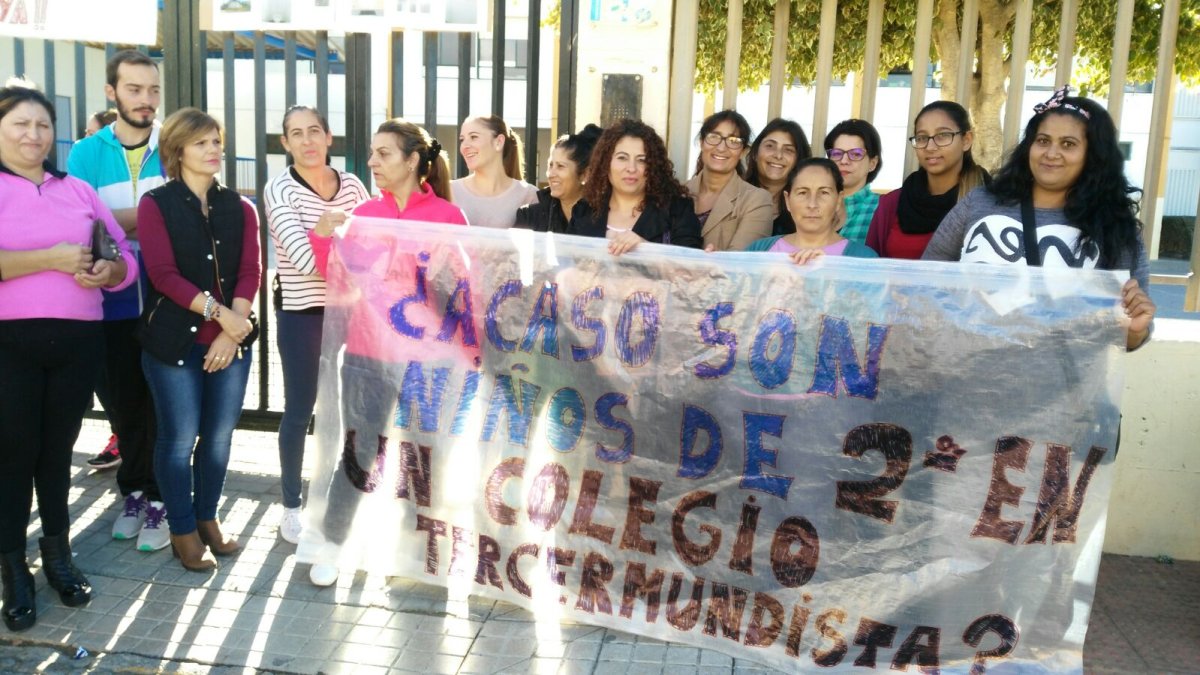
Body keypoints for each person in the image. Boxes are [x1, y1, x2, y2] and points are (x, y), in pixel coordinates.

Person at [307, 118, 467, 587]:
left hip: (427, 359)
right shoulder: (365, 215)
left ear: (413, 160)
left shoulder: (447, 217)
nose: (373, 162)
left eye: (384, 154)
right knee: (359, 453)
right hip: (367, 353)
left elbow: (463, 289)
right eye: (373, 153)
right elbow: (336, 274)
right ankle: (334, 544)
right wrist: (323, 234)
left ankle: (416, 552)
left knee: (424, 456)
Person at [0, 81, 136, 632]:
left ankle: (58, 556)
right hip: (10, 344)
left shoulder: (78, 190)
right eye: (19, 125)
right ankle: (13, 568)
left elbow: (122, 256)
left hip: (78, 343)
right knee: (12, 454)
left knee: (57, 453)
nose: (33, 135)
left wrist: (110, 270)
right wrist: (50, 258)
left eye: (42, 125)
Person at [922, 87, 1155, 351]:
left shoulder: (1114, 227)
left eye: (1068, 144)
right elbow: (926, 281)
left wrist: (1134, 330)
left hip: (1067, 389)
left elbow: (1131, 335)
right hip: (966, 380)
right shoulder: (979, 203)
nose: (1051, 153)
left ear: (1093, 156)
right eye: (1043, 141)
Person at [137, 108, 260, 572]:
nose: (213, 150)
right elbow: (163, 275)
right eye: (201, 143)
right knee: (178, 438)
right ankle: (182, 527)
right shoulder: (157, 204)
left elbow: (251, 271)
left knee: (218, 440)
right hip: (173, 343)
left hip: (230, 341)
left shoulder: (241, 207)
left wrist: (233, 328)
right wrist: (220, 313)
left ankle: (208, 518)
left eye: (216, 141)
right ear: (177, 150)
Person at [66, 50, 169, 552]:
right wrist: (150, 212)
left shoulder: (174, 145)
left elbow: (184, 213)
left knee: (164, 405)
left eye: (152, 90)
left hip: (168, 298)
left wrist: (119, 216)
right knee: (125, 407)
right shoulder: (85, 153)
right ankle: (134, 491)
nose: (146, 100)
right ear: (112, 93)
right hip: (109, 302)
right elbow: (85, 223)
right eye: (134, 90)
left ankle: (159, 497)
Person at [265, 106, 369, 546]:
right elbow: (308, 264)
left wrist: (333, 237)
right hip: (303, 315)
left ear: (329, 137)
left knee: (352, 411)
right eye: (295, 134)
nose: (307, 140)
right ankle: (292, 505)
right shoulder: (279, 189)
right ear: (285, 143)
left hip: (352, 314)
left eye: (314, 131)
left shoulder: (353, 185)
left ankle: (341, 502)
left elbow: (373, 253)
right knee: (300, 408)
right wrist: (327, 235)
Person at [866, 101, 989, 259]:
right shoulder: (892, 203)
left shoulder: (989, 202)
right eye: (922, 138)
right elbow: (870, 268)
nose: (930, 147)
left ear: (966, 140)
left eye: (943, 135)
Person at [572, 118, 703, 253]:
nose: (631, 168)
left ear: (653, 167)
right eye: (622, 158)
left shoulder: (678, 211)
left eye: (642, 160)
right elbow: (568, 262)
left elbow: (691, 266)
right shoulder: (584, 211)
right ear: (605, 163)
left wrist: (646, 249)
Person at [746, 157, 879, 261]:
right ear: (787, 200)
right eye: (803, 193)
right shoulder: (759, 251)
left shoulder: (863, 258)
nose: (812, 204)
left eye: (824, 193)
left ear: (838, 200)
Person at [685, 110, 773, 251]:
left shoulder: (757, 201)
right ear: (701, 143)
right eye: (714, 137)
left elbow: (740, 263)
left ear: (743, 151)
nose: (721, 147)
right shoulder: (677, 193)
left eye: (733, 141)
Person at [450, 114, 537, 228]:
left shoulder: (528, 195)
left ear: (499, 142)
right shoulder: (449, 190)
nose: (464, 146)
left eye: (474, 137)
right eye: (462, 139)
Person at [514, 123, 603, 233]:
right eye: (550, 165)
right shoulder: (529, 216)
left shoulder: (602, 219)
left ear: (584, 174)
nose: (551, 174)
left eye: (560, 166)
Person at [745, 117, 811, 236]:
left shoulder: (807, 207)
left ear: (799, 160)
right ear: (755, 153)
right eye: (770, 146)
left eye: (788, 150)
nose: (778, 155)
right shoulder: (734, 196)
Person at [823, 119, 882, 244]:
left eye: (855, 154)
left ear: (872, 163)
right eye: (837, 153)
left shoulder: (881, 209)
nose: (844, 161)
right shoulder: (814, 204)